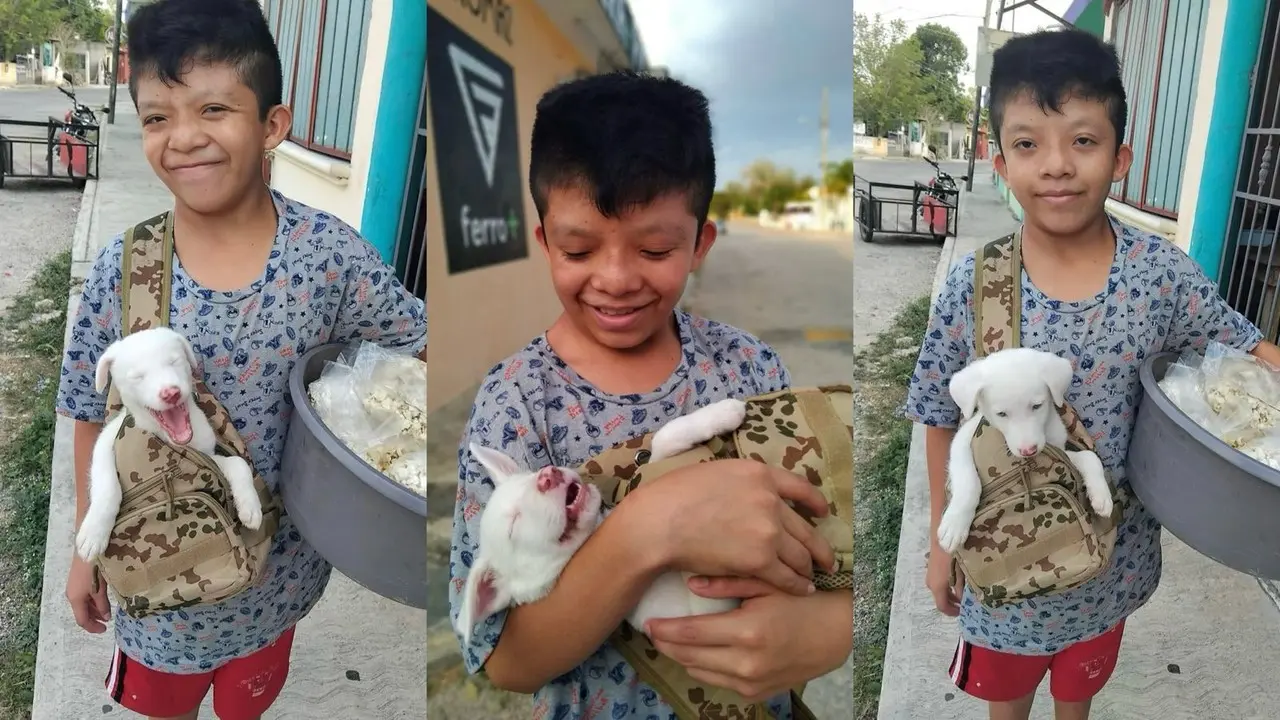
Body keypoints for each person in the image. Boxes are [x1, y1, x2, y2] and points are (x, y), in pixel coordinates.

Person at [55, 1, 426, 718]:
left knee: (245, 704)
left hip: (278, 580)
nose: (184, 137)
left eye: (214, 108)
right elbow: (84, 409)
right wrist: (84, 548)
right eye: (158, 117)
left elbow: (416, 342)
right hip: (156, 583)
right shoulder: (125, 269)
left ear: (273, 126)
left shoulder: (328, 258)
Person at [447, 71, 853, 719]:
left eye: (655, 248)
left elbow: (827, 537)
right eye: (579, 249)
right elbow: (506, 662)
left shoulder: (748, 369)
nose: (615, 279)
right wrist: (647, 533)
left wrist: (833, 629)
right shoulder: (516, 404)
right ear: (545, 242)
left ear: (700, 245)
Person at [906, 28, 1280, 720]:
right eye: (1027, 144)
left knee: (1080, 687)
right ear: (998, 160)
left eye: (1083, 140)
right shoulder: (974, 287)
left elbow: (1245, 344)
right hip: (1003, 560)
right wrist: (940, 546)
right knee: (1008, 697)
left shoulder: (1160, 276)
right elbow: (937, 415)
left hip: (1112, 560)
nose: (1056, 165)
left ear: (1122, 158)